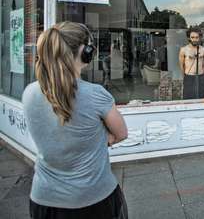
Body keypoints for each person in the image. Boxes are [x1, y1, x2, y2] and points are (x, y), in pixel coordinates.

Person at [23, 22, 129, 219]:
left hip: (44, 200)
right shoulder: (96, 95)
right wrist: (102, 139)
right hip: (94, 199)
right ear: (85, 52)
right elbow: (121, 133)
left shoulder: (29, 93)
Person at [179, 27, 204, 99]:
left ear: (200, 38)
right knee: (188, 99)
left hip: (200, 77)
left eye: (196, 37)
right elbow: (181, 65)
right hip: (189, 77)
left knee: (200, 97)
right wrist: (186, 76)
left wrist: (201, 73)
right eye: (192, 37)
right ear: (189, 38)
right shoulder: (183, 50)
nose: (194, 39)